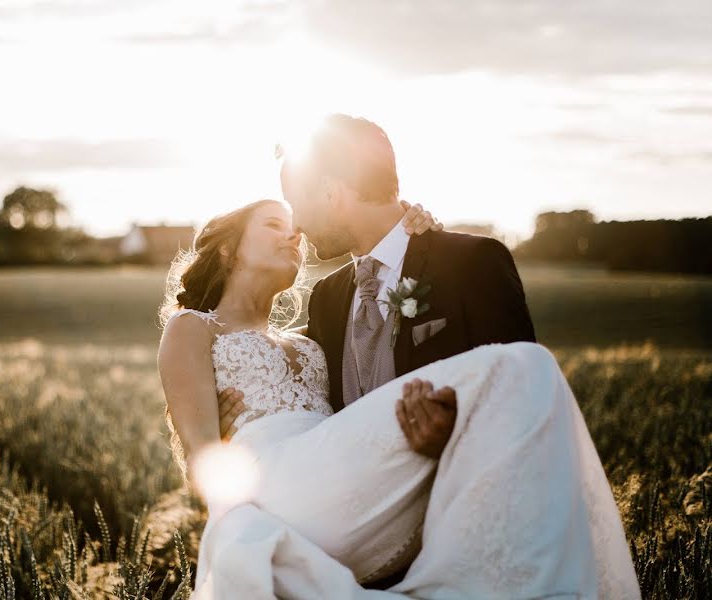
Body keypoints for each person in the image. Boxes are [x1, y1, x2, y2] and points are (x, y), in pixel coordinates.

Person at [157, 198, 639, 598]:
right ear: (227, 251)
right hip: (274, 487)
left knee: (519, 388)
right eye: (274, 225)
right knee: (525, 366)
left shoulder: (309, 338)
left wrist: (413, 235)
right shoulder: (191, 329)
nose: (295, 235)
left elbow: (376, 335)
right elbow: (202, 456)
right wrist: (238, 526)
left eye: (296, 229)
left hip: (338, 484)